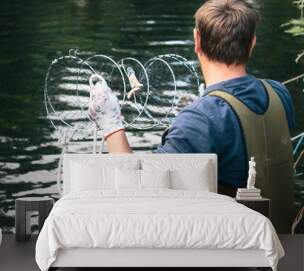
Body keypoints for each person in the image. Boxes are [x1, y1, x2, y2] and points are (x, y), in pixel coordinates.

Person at [89, 0, 295, 232]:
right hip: (288, 241)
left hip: (239, 257)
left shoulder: (202, 119)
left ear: (197, 40)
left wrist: (111, 126)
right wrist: (204, 107)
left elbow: (138, 192)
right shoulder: (279, 93)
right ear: (253, 43)